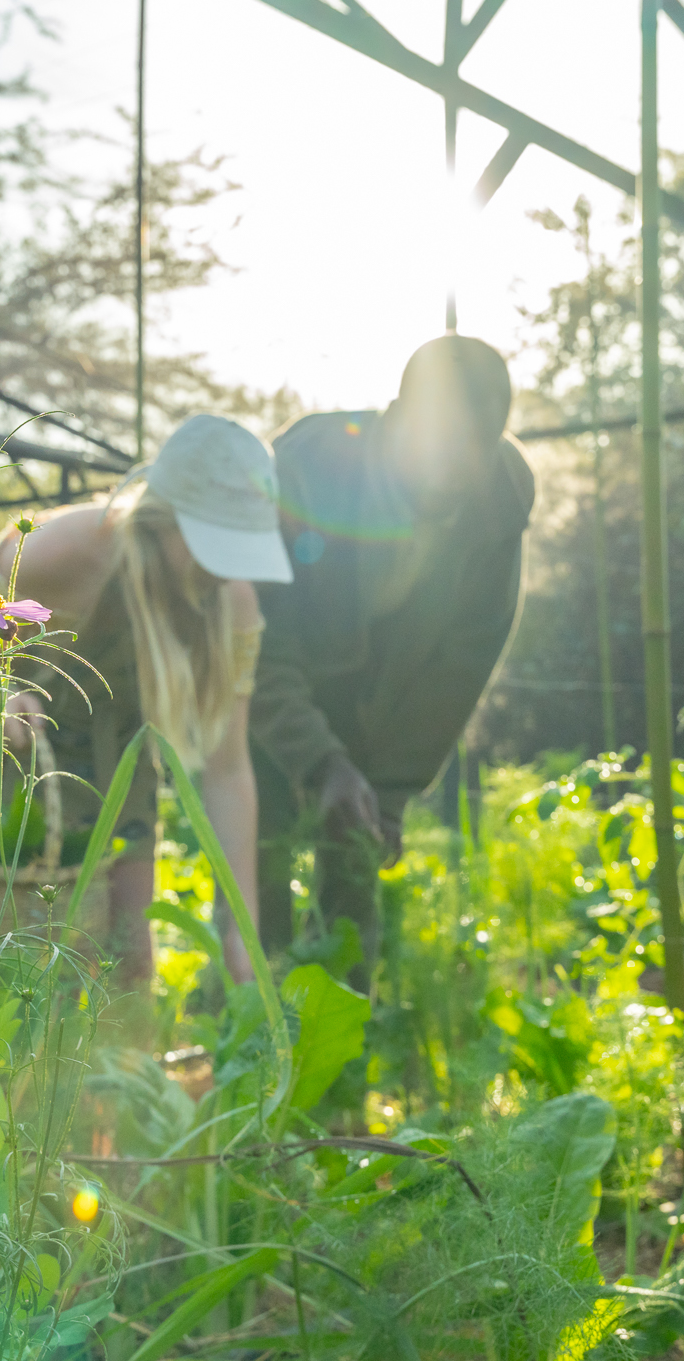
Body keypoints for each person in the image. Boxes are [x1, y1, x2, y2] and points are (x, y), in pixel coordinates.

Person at [0, 415, 293, 988]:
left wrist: (239, 926)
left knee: (128, 963)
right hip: (19, 764)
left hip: (125, 764)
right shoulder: (74, 547)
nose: (223, 568)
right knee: (13, 964)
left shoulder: (233, 604)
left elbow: (227, 768)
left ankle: (115, 1069)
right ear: (162, 522)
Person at [250, 335, 534, 998]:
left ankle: (342, 1056)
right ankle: (248, 1031)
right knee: (259, 860)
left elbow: (459, 665)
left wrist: (393, 790)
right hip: (269, 677)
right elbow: (257, 634)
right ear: (398, 415)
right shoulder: (311, 465)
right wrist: (319, 760)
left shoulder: (502, 498)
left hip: (374, 695)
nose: (446, 469)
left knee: (355, 858)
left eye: (469, 449)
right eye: (434, 442)